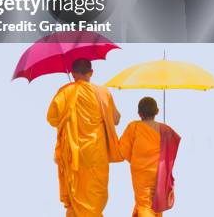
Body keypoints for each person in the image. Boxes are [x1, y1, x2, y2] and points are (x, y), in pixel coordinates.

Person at [47, 58, 122, 216]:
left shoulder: (66, 91)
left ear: (72, 74)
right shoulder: (103, 92)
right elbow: (116, 119)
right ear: (91, 72)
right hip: (96, 152)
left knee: (76, 196)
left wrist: (68, 109)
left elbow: (52, 118)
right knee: (95, 194)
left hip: (74, 155)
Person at [119, 97, 181, 216]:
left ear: (139, 113)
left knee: (144, 204)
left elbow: (123, 151)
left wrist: (136, 160)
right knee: (157, 204)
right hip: (160, 173)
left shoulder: (134, 127)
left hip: (141, 174)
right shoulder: (165, 129)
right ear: (157, 112)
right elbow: (171, 152)